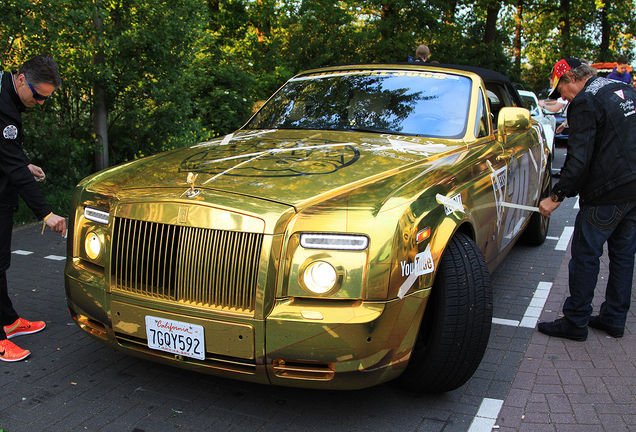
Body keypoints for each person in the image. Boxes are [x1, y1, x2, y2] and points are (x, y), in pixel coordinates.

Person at [537, 58, 636, 341]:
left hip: (607, 192)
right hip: (633, 189)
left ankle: (575, 320)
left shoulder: (585, 100)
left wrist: (556, 196)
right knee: (623, 255)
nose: (562, 98)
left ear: (570, 79)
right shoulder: (624, 89)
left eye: (561, 91)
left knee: (585, 255)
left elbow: (578, 159)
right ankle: (614, 319)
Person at [0, 55, 67, 362]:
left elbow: (8, 154)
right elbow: (13, 169)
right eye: (39, 96)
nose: (40, 103)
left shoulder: (8, 94)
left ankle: (9, 320)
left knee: (0, 263)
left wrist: (24, 162)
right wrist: (46, 214)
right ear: (22, 79)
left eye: (46, 99)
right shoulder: (3, 106)